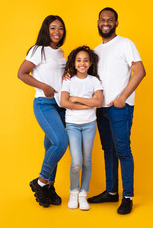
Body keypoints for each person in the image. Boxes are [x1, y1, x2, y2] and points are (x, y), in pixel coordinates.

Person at [87, 7, 146, 215]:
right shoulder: (95, 51)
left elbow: (140, 71)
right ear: (97, 22)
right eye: (102, 20)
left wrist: (122, 98)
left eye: (110, 20)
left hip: (120, 108)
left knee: (122, 150)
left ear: (116, 23)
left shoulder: (125, 44)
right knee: (108, 150)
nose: (106, 23)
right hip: (101, 109)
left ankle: (127, 196)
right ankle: (111, 192)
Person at [17, 15, 68, 208]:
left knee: (50, 147)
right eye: (53, 28)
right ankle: (39, 182)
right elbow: (21, 73)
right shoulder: (38, 50)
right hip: (44, 104)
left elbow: (59, 76)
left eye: (60, 28)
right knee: (61, 142)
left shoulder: (61, 52)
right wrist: (44, 86)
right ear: (46, 30)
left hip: (60, 105)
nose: (57, 32)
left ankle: (49, 187)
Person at [60, 46, 103, 211]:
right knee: (76, 162)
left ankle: (83, 194)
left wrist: (76, 99)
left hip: (90, 124)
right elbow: (64, 102)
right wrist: (88, 103)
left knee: (87, 161)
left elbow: (98, 102)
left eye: (86, 60)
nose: (82, 63)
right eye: (79, 60)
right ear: (74, 63)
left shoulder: (94, 81)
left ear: (91, 63)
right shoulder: (68, 80)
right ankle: (73, 192)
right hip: (72, 124)